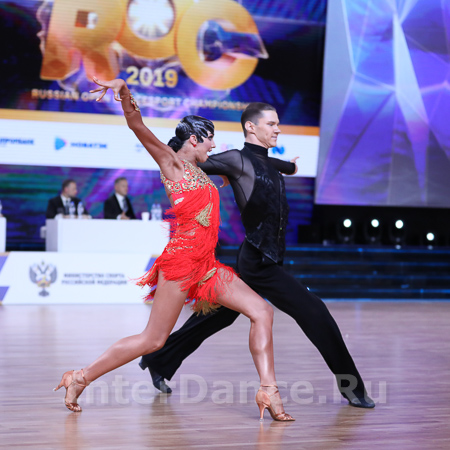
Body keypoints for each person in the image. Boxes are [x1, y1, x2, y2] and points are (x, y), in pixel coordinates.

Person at [54, 78, 294, 422]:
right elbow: (137, 125)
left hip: (207, 265)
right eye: (209, 139)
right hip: (181, 262)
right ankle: (79, 377)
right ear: (194, 139)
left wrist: (286, 167)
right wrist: (123, 90)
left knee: (262, 311)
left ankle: (269, 391)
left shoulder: (202, 172)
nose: (214, 145)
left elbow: (244, 170)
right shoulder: (172, 163)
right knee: (153, 340)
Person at [139, 102, 376, 409]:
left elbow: (274, 165)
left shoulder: (268, 162)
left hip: (268, 257)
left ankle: (159, 359)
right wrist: (208, 167)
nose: (278, 129)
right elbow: (188, 163)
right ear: (251, 127)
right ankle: (352, 387)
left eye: (278, 124)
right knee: (315, 312)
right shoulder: (236, 160)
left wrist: (290, 166)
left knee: (216, 316)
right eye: (271, 124)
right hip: (257, 261)